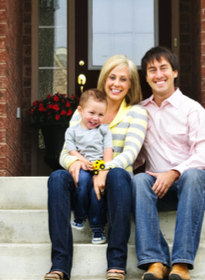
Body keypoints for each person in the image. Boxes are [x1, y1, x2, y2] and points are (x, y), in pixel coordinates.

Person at [44, 54, 149, 280]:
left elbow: (130, 153)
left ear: (131, 84)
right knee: (56, 178)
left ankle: (116, 264)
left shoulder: (136, 113)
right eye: (112, 77)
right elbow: (65, 151)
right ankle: (60, 265)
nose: (116, 83)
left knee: (119, 175)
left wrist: (103, 169)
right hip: (82, 182)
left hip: (114, 185)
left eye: (123, 79)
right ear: (104, 79)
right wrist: (75, 162)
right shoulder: (84, 111)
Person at [133, 46, 205, 280]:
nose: (158, 74)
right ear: (146, 77)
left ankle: (181, 264)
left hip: (200, 187)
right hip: (162, 189)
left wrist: (174, 172)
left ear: (174, 73)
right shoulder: (140, 112)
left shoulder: (192, 109)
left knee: (191, 175)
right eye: (152, 70)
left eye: (164, 68)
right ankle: (155, 261)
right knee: (139, 179)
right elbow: (135, 156)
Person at [64, 88, 114, 244]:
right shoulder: (72, 131)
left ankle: (97, 228)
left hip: (100, 167)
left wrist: (104, 170)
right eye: (91, 113)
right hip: (84, 166)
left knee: (96, 193)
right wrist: (83, 161)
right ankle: (79, 216)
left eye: (100, 114)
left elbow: (108, 150)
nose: (96, 118)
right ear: (80, 110)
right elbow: (71, 150)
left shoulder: (104, 130)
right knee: (82, 183)